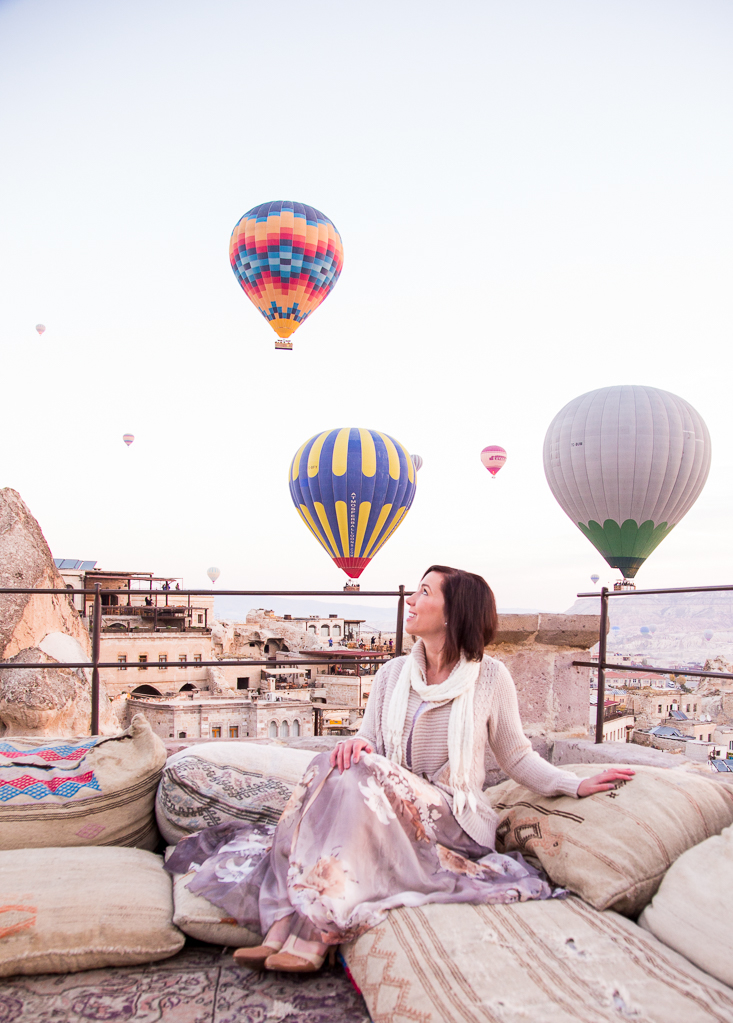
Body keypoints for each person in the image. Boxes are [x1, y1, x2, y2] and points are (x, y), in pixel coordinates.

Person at [166, 566, 633, 974]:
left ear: (454, 613)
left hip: (450, 817)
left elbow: (516, 756)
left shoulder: (490, 678)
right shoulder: (391, 674)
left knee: (365, 772)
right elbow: (368, 741)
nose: (410, 599)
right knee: (330, 764)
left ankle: (310, 928)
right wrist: (353, 747)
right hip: (386, 806)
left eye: (425, 593)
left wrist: (573, 783)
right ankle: (293, 915)